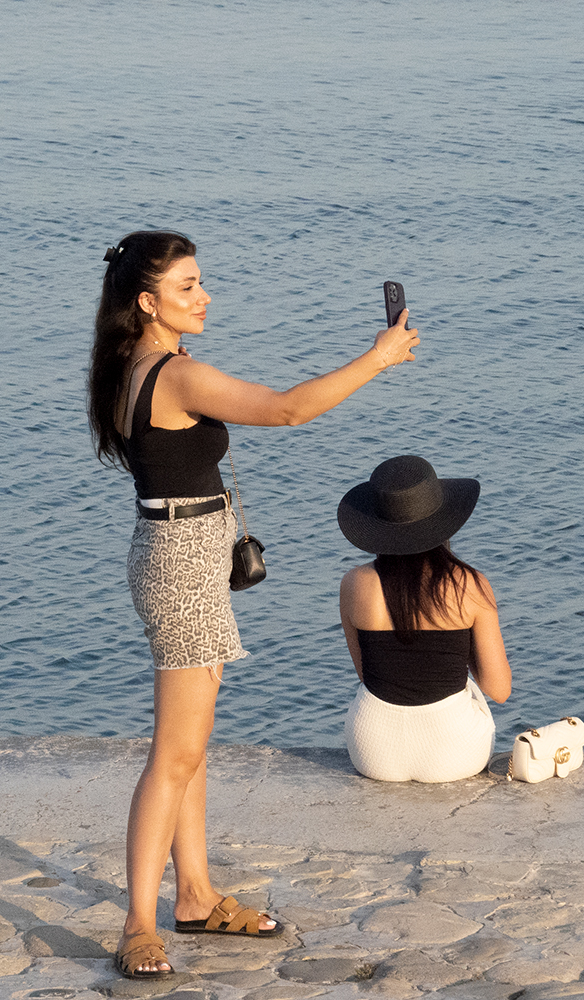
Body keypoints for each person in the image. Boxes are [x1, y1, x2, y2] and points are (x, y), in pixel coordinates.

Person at [86, 231, 420, 980]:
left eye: (200, 281)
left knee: (192, 744)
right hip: (181, 562)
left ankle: (196, 895)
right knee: (174, 754)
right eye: (187, 286)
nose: (204, 296)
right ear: (148, 302)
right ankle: (139, 925)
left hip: (180, 550)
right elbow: (288, 409)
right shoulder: (174, 375)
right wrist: (378, 357)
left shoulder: (127, 363)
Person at [336, 455, 512, 782]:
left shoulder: (354, 584)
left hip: (372, 751)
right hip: (454, 752)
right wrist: (460, 647)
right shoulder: (469, 585)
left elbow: (366, 675)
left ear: (378, 528)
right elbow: (498, 689)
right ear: (444, 521)